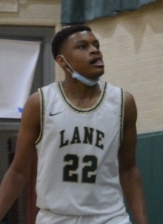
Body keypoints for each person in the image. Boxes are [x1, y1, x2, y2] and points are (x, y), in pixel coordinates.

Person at [0, 25, 149, 224]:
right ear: (62, 61)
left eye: (96, 45)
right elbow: (18, 171)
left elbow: (129, 169)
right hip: (56, 218)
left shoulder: (123, 102)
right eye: (82, 47)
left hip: (109, 217)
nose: (95, 50)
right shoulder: (40, 103)